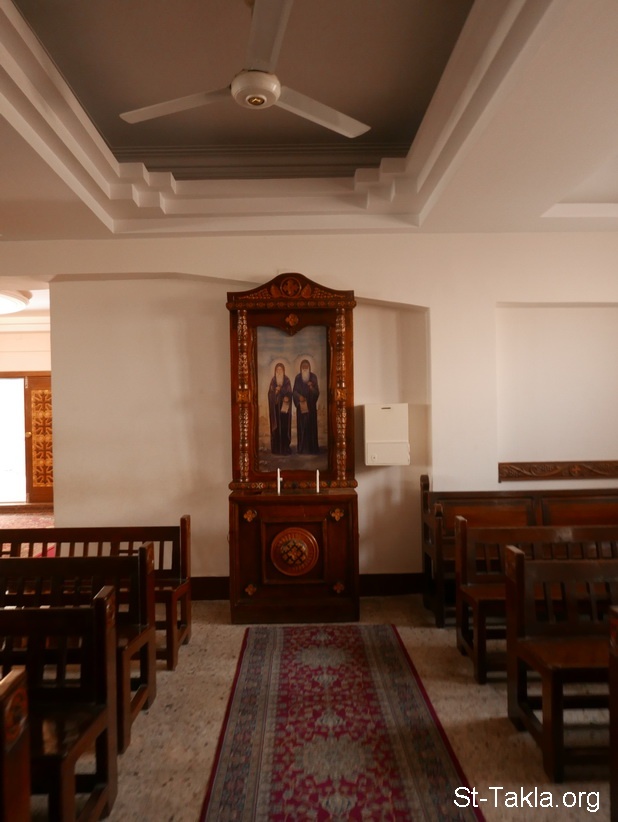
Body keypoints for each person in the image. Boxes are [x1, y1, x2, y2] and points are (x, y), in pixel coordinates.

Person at [293, 358, 320, 454]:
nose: (305, 368)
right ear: (301, 368)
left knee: (311, 427)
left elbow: (317, 393)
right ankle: (301, 448)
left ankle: (312, 449)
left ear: (309, 367)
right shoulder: (297, 378)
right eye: (303, 367)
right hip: (301, 408)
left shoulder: (313, 377)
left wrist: (311, 388)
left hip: (311, 408)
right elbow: (294, 391)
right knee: (302, 428)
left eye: (306, 367)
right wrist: (299, 397)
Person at [267, 362, 292, 454]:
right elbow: (270, 394)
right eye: (277, 370)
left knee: (284, 428)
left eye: (280, 370)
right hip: (275, 410)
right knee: (276, 428)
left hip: (284, 410)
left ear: (283, 371)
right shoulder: (273, 381)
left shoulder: (287, 380)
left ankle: (285, 448)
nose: (279, 372)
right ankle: (276, 449)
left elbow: (290, 392)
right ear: (275, 371)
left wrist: (286, 395)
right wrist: (275, 393)